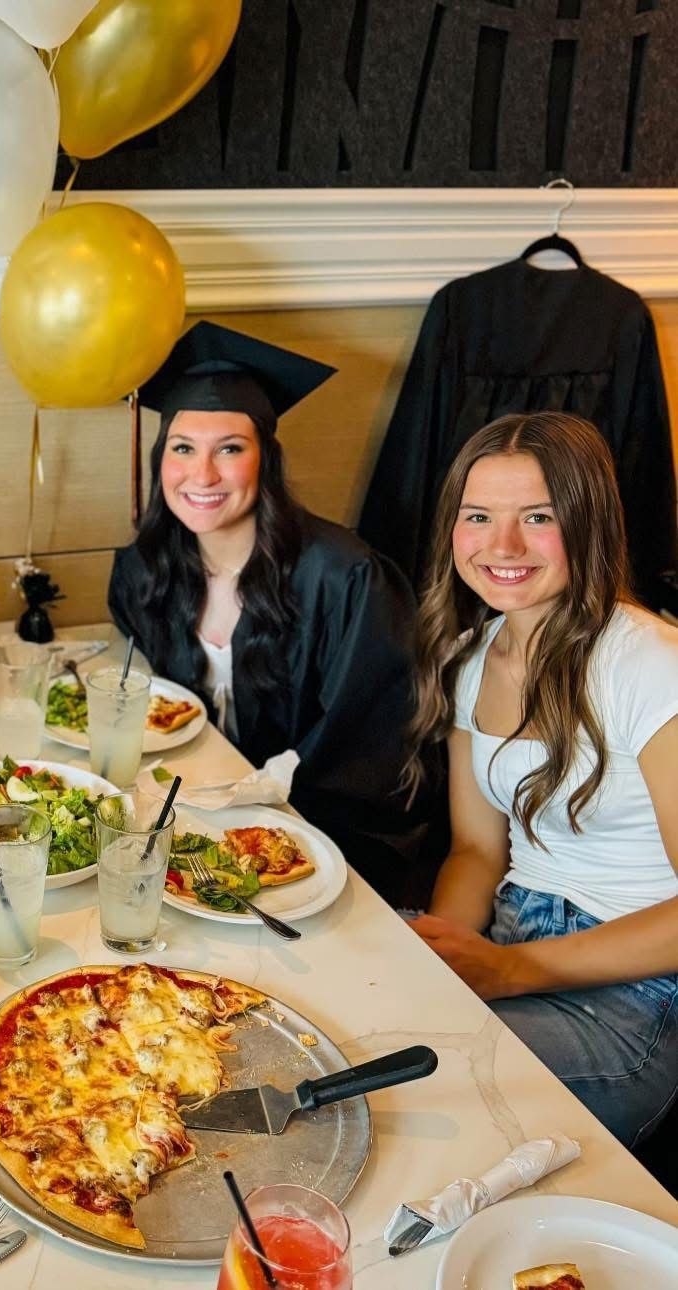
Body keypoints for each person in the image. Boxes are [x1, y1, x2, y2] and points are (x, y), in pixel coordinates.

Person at [403, 412, 678, 1146]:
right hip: (513, 934)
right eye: (478, 517)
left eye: (538, 517)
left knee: (416, 1103)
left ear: (587, 524)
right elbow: (477, 853)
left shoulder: (650, 664)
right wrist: (446, 953)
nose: (503, 546)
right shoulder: (472, 653)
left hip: (635, 998)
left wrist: (508, 970)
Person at [108, 321, 436, 903]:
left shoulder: (345, 578)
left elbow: (372, 742)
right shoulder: (146, 571)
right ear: (161, 459)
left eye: (229, 449)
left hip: (322, 847)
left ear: (266, 460)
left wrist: (260, 803)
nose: (202, 475)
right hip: (195, 826)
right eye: (184, 448)